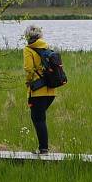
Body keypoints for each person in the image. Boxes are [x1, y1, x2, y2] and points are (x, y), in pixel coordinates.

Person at [23, 24, 56, 155]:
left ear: (27, 36)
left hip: (37, 92)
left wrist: (28, 82)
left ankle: (43, 150)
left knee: (38, 119)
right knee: (40, 118)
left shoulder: (28, 49)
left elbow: (29, 69)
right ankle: (44, 148)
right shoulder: (46, 47)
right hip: (51, 90)